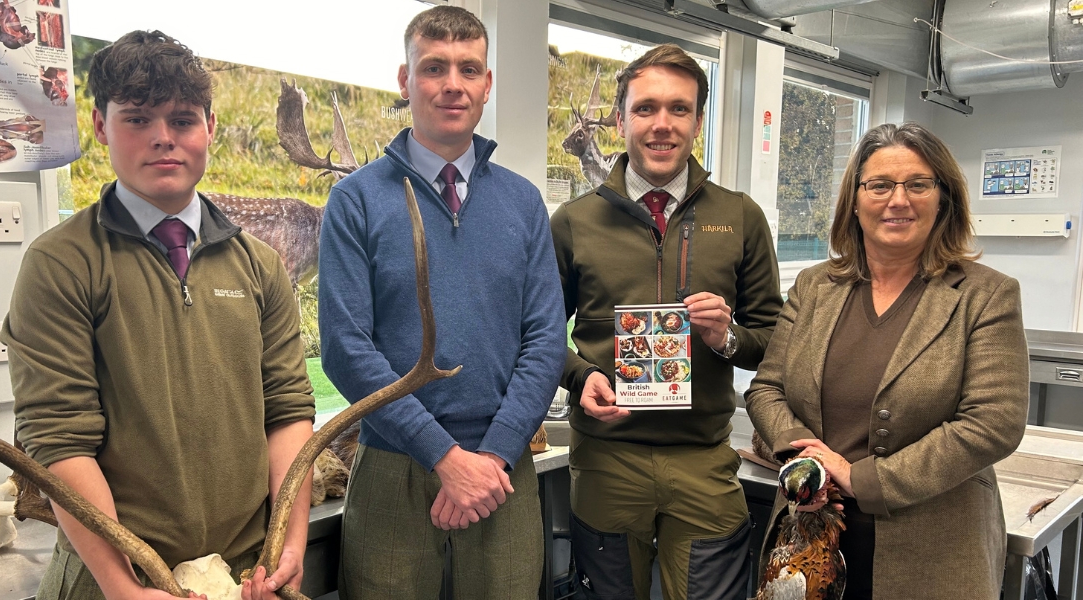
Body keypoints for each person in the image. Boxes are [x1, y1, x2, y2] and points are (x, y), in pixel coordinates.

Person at [1, 30, 316, 600]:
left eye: (183, 120)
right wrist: (123, 588)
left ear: (211, 128)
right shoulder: (62, 264)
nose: (163, 139)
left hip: (244, 577)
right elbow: (58, 441)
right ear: (100, 127)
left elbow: (289, 410)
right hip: (113, 581)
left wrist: (288, 547)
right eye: (138, 119)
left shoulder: (259, 265)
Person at [318, 5, 566, 599]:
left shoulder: (523, 201)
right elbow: (346, 348)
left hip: (503, 468)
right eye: (433, 67)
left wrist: (495, 455)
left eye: (468, 68)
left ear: (486, 85)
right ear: (405, 82)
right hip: (391, 466)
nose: (452, 84)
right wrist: (443, 457)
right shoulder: (355, 201)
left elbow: (546, 339)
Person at [745, 122, 1028, 599]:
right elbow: (766, 389)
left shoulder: (986, 295)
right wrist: (804, 460)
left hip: (934, 545)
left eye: (917, 184)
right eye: (879, 185)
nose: (899, 200)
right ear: (854, 201)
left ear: (943, 199)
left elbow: (993, 422)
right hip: (809, 531)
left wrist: (860, 478)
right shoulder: (815, 287)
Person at [551, 43, 782, 600]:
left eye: (679, 109)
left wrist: (725, 336)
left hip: (703, 460)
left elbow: (775, 340)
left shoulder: (740, 217)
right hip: (607, 459)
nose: (662, 125)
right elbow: (535, 337)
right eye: (645, 108)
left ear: (698, 120)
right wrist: (582, 377)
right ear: (621, 117)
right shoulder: (574, 222)